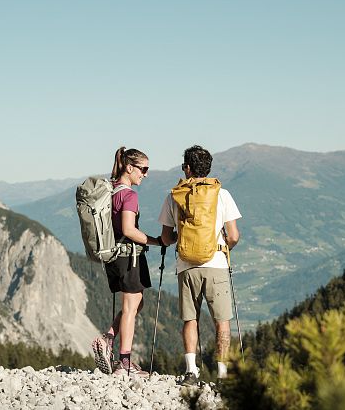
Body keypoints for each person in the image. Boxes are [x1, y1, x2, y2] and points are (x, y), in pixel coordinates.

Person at [158, 145, 242, 385]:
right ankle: (223, 374)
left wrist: (180, 239)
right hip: (216, 262)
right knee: (222, 321)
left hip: (186, 265)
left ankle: (191, 372)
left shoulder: (174, 195)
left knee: (190, 319)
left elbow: (165, 237)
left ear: (187, 167)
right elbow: (233, 235)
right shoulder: (222, 194)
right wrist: (224, 247)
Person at [91, 146, 164, 377]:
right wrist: (156, 241)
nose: (146, 174)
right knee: (131, 308)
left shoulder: (111, 190)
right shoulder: (130, 195)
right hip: (129, 256)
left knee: (136, 304)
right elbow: (129, 229)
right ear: (129, 167)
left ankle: (108, 339)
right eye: (143, 169)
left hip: (113, 256)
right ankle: (124, 362)